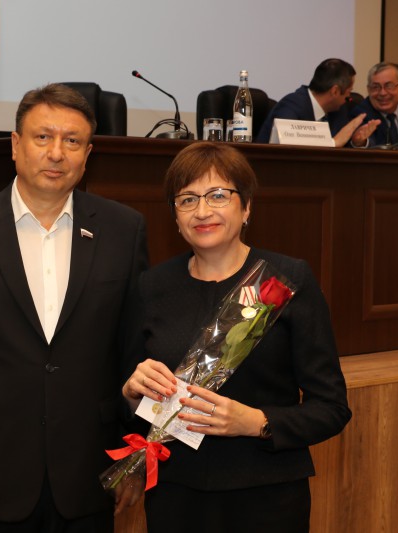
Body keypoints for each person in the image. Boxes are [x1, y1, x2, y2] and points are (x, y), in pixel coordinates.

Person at [0, 83, 149, 532]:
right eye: (43, 137)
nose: (56, 153)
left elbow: (134, 354)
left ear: (88, 154)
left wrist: (133, 457)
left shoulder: (123, 230)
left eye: (72, 141)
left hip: (89, 476)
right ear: (15, 145)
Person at [121, 143, 352, 532]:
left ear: (246, 208)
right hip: (176, 497)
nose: (202, 211)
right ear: (175, 217)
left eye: (218, 195)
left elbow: (332, 408)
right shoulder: (152, 286)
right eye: (187, 199)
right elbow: (131, 397)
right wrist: (131, 393)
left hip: (267, 498)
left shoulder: (282, 281)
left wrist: (255, 421)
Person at [256, 58, 380, 146]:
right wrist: (333, 143)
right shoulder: (292, 105)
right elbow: (288, 148)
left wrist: (356, 142)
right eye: (349, 91)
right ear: (335, 91)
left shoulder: (338, 110)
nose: (349, 97)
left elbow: (344, 146)